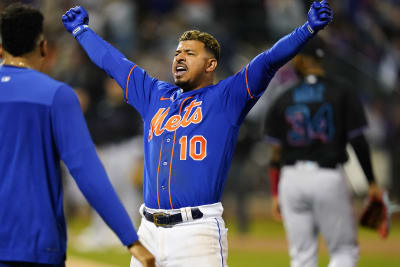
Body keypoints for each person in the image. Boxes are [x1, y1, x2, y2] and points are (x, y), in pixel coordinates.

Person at [61, 1, 333, 266]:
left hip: (196, 233)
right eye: (178, 53)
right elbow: (113, 62)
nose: (179, 57)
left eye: (190, 53)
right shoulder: (154, 94)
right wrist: (82, 32)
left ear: (211, 64)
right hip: (148, 231)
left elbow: (268, 61)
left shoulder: (227, 98)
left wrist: (307, 29)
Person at [0, 4, 154, 267]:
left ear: (1, 49)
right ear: (44, 47)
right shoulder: (55, 95)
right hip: (33, 243)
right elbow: (87, 171)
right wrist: (131, 240)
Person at [264, 37, 383, 267]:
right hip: (327, 177)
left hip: (291, 180)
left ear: (302, 59)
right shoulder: (341, 91)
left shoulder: (283, 97)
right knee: (343, 252)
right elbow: (358, 140)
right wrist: (372, 182)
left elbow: (275, 153)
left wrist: (275, 192)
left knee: (302, 257)